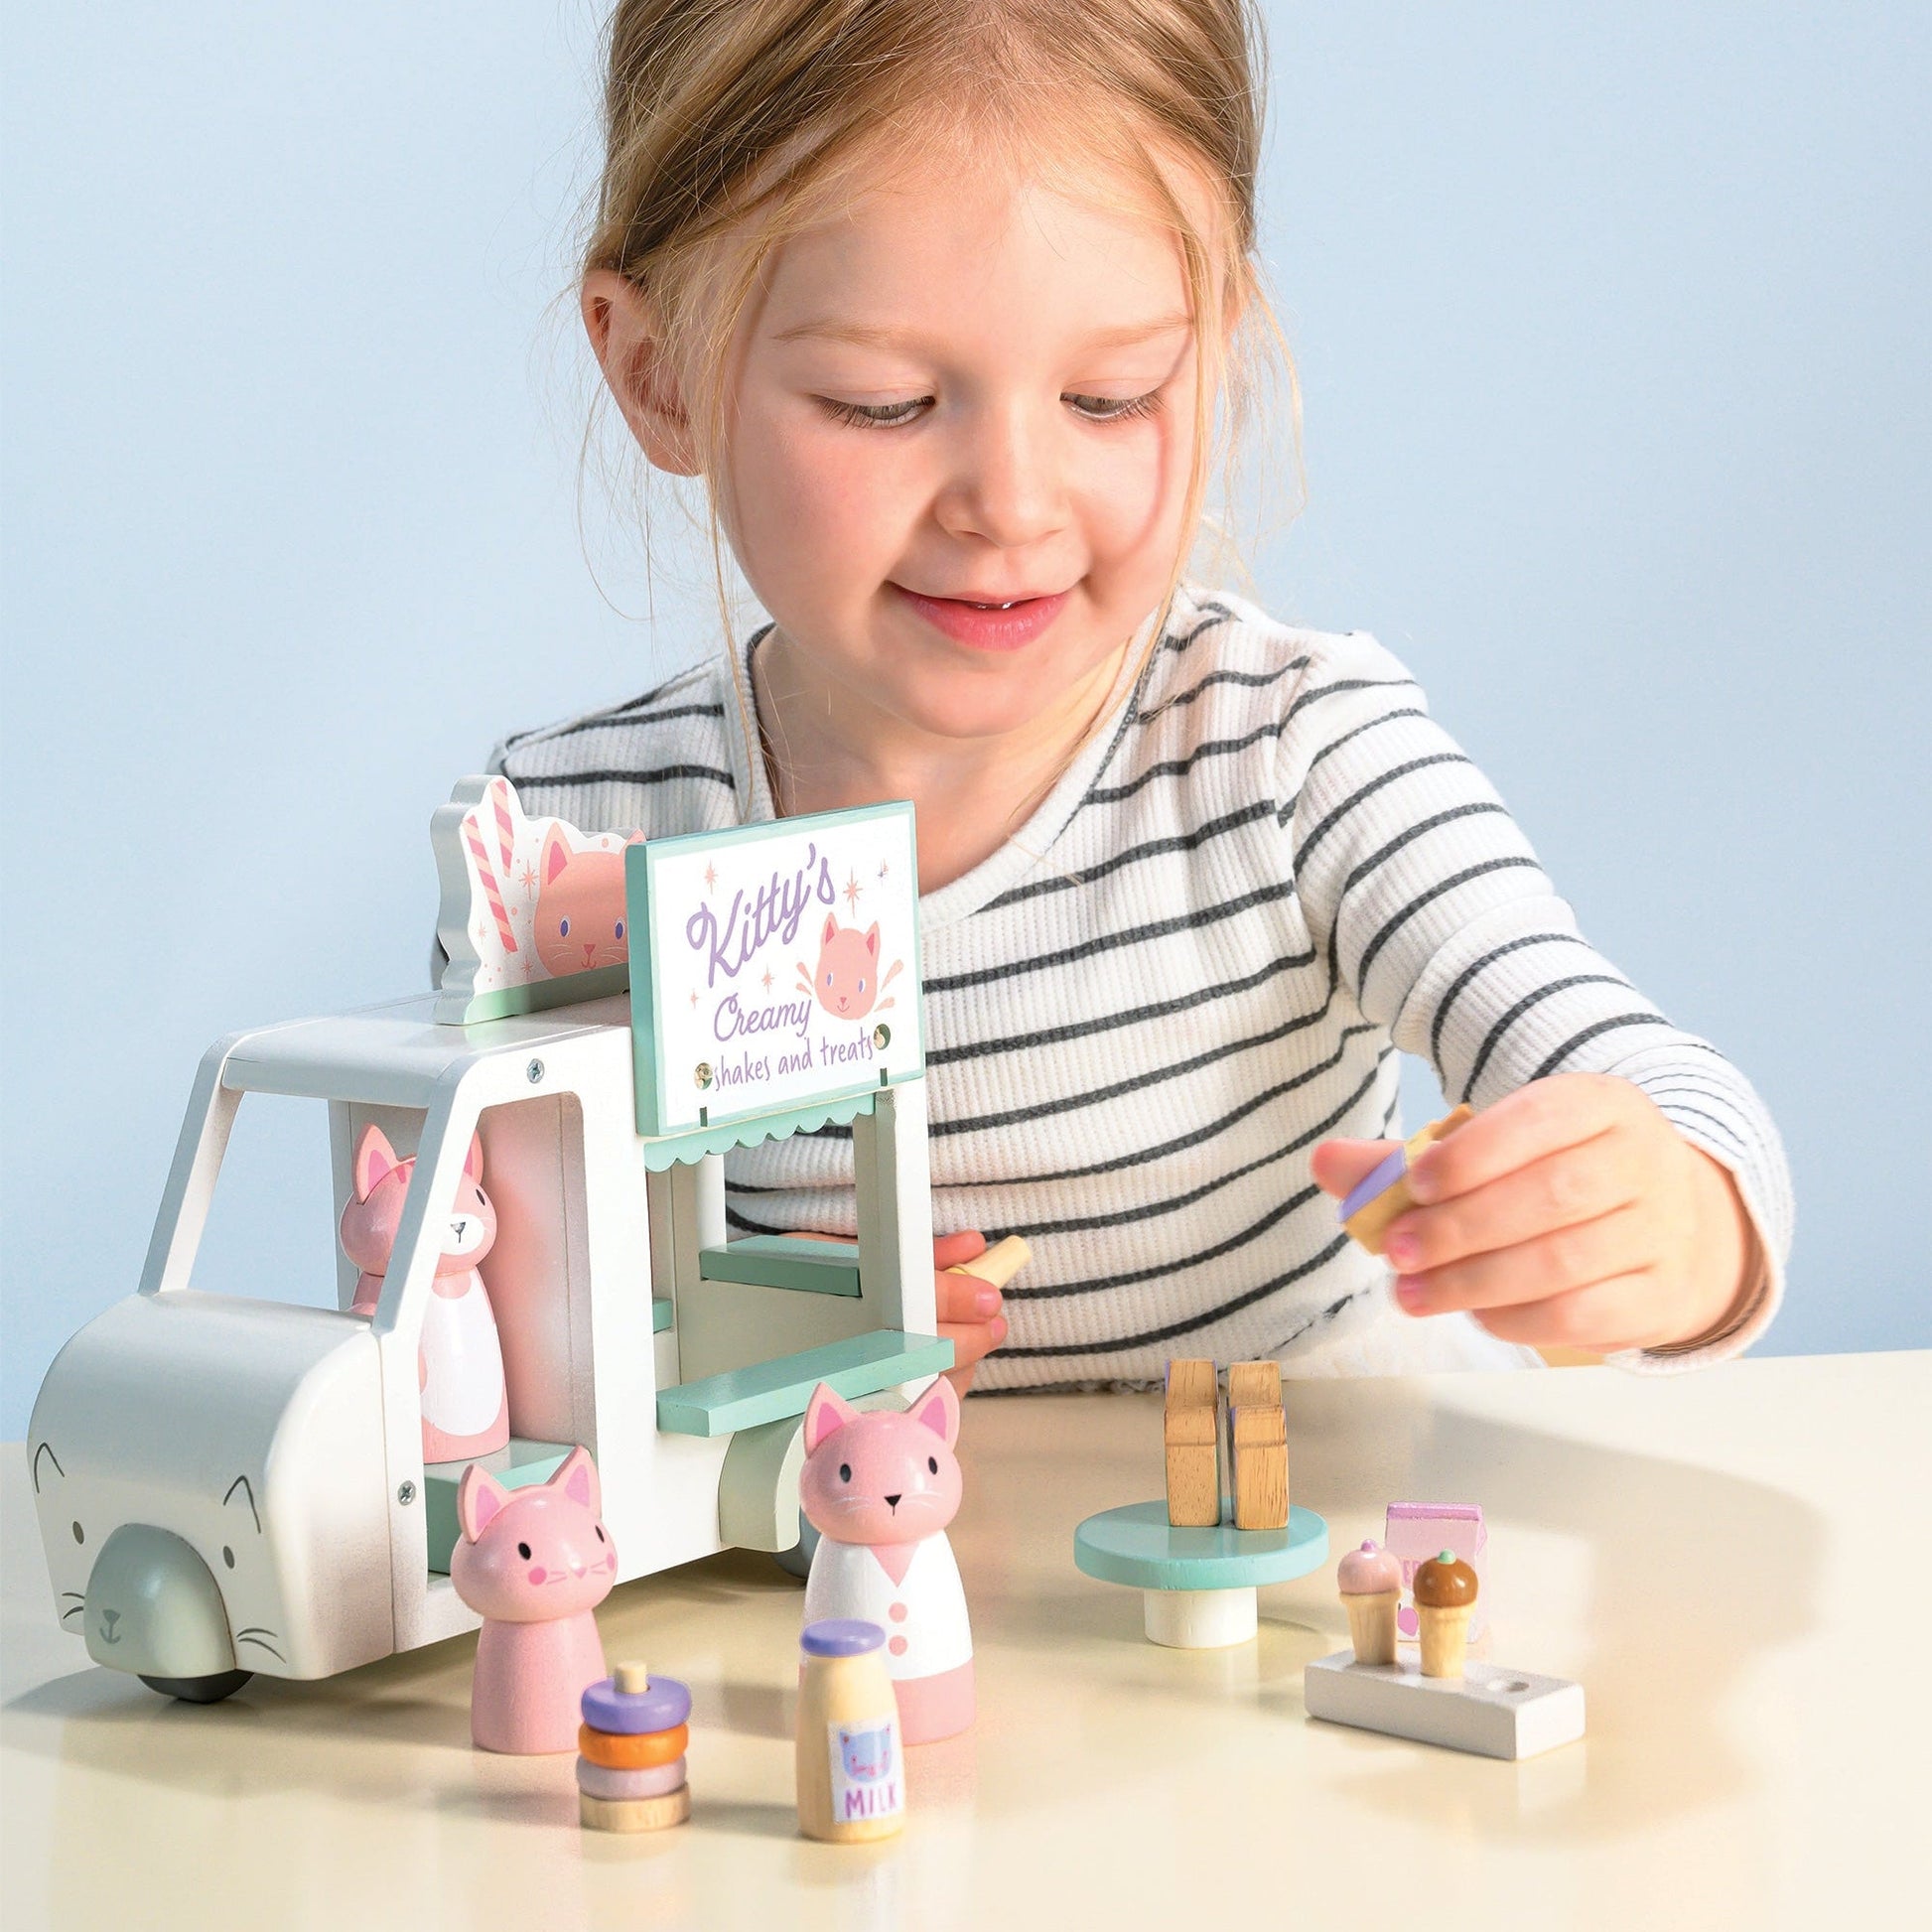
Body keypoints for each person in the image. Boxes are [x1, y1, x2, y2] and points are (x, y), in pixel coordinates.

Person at [490, 0, 1790, 1393]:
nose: (1012, 504)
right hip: (848, 1541)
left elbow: (1656, 1090)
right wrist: (733, 1336)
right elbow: (511, 1329)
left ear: (1215, 343)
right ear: (658, 373)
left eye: (1110, 397)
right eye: (882, 401)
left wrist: (1669, 1216)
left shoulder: (1295, 757)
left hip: (1295, 1511)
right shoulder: (566, 847)